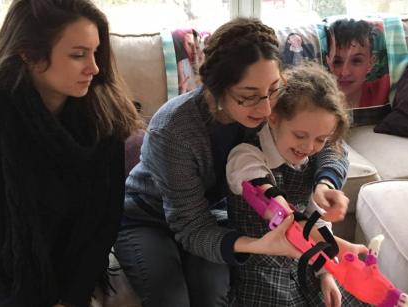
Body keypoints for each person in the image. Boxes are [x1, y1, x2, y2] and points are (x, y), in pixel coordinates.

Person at [114, 18, 350, 307]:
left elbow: (328, 138)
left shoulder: (270, 102)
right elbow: (190, 226)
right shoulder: (174, 130)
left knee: (214, 294)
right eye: (248, 97)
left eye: (274, 89)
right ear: (216, 89)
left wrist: (326, 181)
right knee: (171, 298)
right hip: (148, 219)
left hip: (212, 215)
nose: (266, 109)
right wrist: (259, 245)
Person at [0, 0, 143, 306]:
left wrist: (70, 296)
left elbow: (105, 222)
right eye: (78, 55)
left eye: (95, 52)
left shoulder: (105, 118)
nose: (94, 68)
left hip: (74, 277)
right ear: (28, 53)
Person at [226, 62, 369, 306]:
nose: (309, 148)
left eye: (320, 139)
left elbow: (317, 216)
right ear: (274, 117)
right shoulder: (246, 158)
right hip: (263, 272)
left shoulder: (310, 161)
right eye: (300, 136)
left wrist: (326, 272)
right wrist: (337, 246)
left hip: (305, 262)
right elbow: (278, 212)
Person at [326, 18, 390, 108]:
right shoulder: (317, 101)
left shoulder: (385, 88)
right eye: (337, 62)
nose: (344, 73)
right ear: (328, 62)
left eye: (356, 61)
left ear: (371, 63)